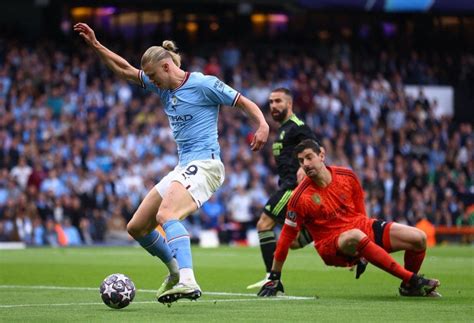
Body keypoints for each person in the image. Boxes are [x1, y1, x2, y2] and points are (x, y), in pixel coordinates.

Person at [74, 23, 269, 304]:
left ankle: (189, 280)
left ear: (166, 67)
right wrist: (96, 46)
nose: (150, 82)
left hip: (206, 164)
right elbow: (126, 70)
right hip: (184, 166)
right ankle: (175, 272)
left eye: (153, 75)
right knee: (137, 227)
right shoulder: (163, 87)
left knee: (167, 215)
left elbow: (242, 101)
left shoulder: (204, 84)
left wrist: (262, 124)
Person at [258, 139, 441, 297]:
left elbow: (361, 214)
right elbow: (285, 238)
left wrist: (366, 252)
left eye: (308, 157)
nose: (305, 164)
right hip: (332, 246)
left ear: (322, 155)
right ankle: (413, 280)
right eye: (301, 161)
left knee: (419, 238)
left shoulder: (347, 176)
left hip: (361, 229)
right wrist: (274, 275)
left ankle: (409, 288)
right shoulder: (299, 197)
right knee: (355, 235)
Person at [247, 88, 317, 290]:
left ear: (289, 104)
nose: (273, 106)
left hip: (294, 188)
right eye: (270, 102)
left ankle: (272, 279)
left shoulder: (297, 127)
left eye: (278, 101)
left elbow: (316, 149)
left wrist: (305, 168)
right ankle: (318, 230)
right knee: (294, 242)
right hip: (287, 186)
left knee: (264, 223)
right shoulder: (283, 130)